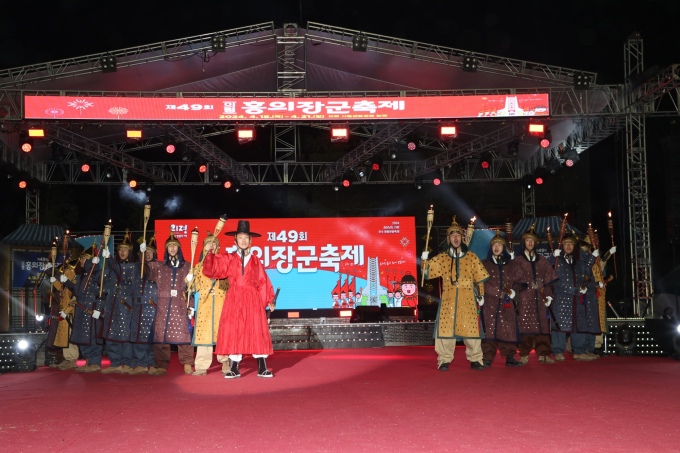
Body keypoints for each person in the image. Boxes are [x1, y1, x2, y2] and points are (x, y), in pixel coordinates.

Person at [202, 220, 276, 379]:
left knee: (257, 330)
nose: (243, 240)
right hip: (234, 297)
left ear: (251, 241)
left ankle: (262, 367)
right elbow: (213, 270)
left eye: (246, 238)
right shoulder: (228, 258)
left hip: (253, 298)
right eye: (240, 237)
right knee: (234, 331)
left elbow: (263, 282)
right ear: (235, 240)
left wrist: (269, 300)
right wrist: (210, 253)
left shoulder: (256, 261)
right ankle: (234, 367)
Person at [421, 217, 490, 371]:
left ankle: (476, 358)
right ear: (448, 239)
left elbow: (480, 278)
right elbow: (427, 273)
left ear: (462, 238)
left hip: (468, 297)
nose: (456, 238)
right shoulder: (442, 258)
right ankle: (444, 359)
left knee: (471, 329)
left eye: (458, 235)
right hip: (449, 298)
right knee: (445, 329)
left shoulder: (471, 257)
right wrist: (424, 261)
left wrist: (481, 294)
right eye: (452, 236)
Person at [143, 230, 195, 375]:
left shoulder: (187, 266)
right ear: (166, 249)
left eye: (175, 246)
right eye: (170, 246)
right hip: (163, 305)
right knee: (161, 336)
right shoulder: (159, 266)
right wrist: (142, 254)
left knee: (184, 335)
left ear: (179, 248)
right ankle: (161, 365)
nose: (172, 248)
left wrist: (191, 307)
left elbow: (191, 290)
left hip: (180, 304)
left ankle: (187, 363)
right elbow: (144, 271)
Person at [512, 225, 559, 364]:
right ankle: (524, 354)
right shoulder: (518, 261)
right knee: (524, 327)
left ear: (535, 243)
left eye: (532, 240)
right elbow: (514, 282)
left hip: (540, 298)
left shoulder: (543, 261)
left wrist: (549, 296)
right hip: (525, 299)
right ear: (524, 243)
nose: (530, 243)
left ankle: (544, 354)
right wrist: (524, 286)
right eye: (527, 240)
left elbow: (548, 282)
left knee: (542, 327)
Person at [549, 232, 597, 361]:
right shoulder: (557, 260)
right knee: (559, 326)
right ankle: (558, 351)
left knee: (578, 324)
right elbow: (547, 270)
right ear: (562, 246)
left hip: (577, 299)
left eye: (570, 243)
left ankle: (579, 351)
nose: (568, 246)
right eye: (565, 244)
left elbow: (587, 272)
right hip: (562, 298)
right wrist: (553, 256)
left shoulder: (578, 262)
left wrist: (592, 257)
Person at [480, 230, 523, 367]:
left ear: (503, 248)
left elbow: (521, 280)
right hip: (490, 303)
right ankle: (487, 358)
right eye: (494, 245)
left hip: (507, 304)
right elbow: (481, 283)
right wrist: (499, 293)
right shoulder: (484, 264)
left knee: (508, 329)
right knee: (489, 330)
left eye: (499, 245)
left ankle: (510, 357)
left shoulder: (512, 265)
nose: (496, 247)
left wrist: (514, 292)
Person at [189, 233, 229, 376]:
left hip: (220, 304)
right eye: (208, 244)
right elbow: (192, 289)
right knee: (203, 334)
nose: (211, 246)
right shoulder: (198, 267)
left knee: (222, 334)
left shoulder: (224, 265)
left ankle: (225, 361)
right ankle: (201, 365)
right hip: (205, 305)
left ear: (218, 247)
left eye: (214, 244)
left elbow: (229, 286)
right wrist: (190, 280)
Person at [100, 231, 139, 374]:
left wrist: (110, 259)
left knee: (125, 334)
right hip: (112, 303)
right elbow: (104, 283)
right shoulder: (111, 266)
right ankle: (115, 362)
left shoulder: (134, 266)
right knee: (111, 332)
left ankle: (128, 363)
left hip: (126, 303)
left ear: (129, 252)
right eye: (120, 249)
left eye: (125, 249)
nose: (122, 252)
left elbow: (122, 274)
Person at [62, 244, 105, 372]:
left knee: (92, 337)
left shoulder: (96, 275)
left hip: (91, 309)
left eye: (84, 259)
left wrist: (98, 309)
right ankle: (88, 360)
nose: (81, 261)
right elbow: (77, 291)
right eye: (81, 258)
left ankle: (95, 363)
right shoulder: (81, 277)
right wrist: (66, 282)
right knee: (83, 337)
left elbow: (101, 293)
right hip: (81, 309)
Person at [128, 234, 158, 375]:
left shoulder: (159, 267)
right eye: (146, 251)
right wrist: (140, 255)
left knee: (151, 337)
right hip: (138, 308)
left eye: (151, 251)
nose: (148, 254)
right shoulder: (136, 267)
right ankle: (140, 363)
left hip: (152, 308)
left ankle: (152, 363)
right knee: (138, 336)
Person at [49, 259, 79, 370]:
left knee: (71, 337)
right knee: (64, 338)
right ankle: (67, 359)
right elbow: (62, 289)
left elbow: (74, 299)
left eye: (68, 270)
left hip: (70, 313)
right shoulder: (67, 284)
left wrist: (66, 311)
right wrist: (54, 282)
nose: (65, 271)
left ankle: (72, 359)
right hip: (63, 312)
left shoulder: (75, 283)